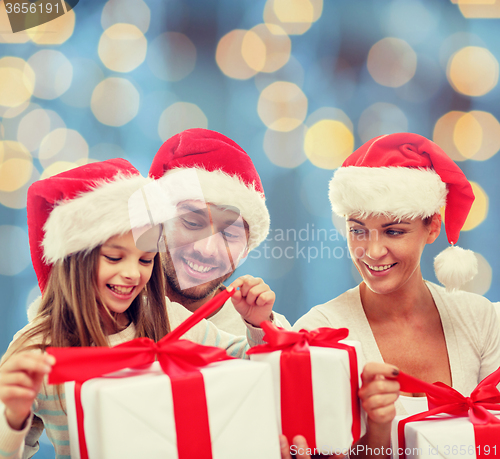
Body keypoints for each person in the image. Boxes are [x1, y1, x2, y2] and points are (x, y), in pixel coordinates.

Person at [0, 159, 277, 458]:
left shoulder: (168, 319)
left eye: (145, 260)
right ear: (75, 260)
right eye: (115, 258)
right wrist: (12, 420)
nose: (133, 273)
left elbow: (251, 367)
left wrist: (257, 325)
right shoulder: (36, 349)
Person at [290, 133, 500, 458]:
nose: (372, 251)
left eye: (393, 231)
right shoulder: (318, 333)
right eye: (358, 230)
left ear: (432, 228)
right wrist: (376, 430)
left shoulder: (480, 318)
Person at [149, 128, 291, 334]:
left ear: (246, 250)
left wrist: (263, 331)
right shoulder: (110, 312)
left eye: (230, 235)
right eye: (192, 223)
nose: (206, 250)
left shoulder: (266, 330)